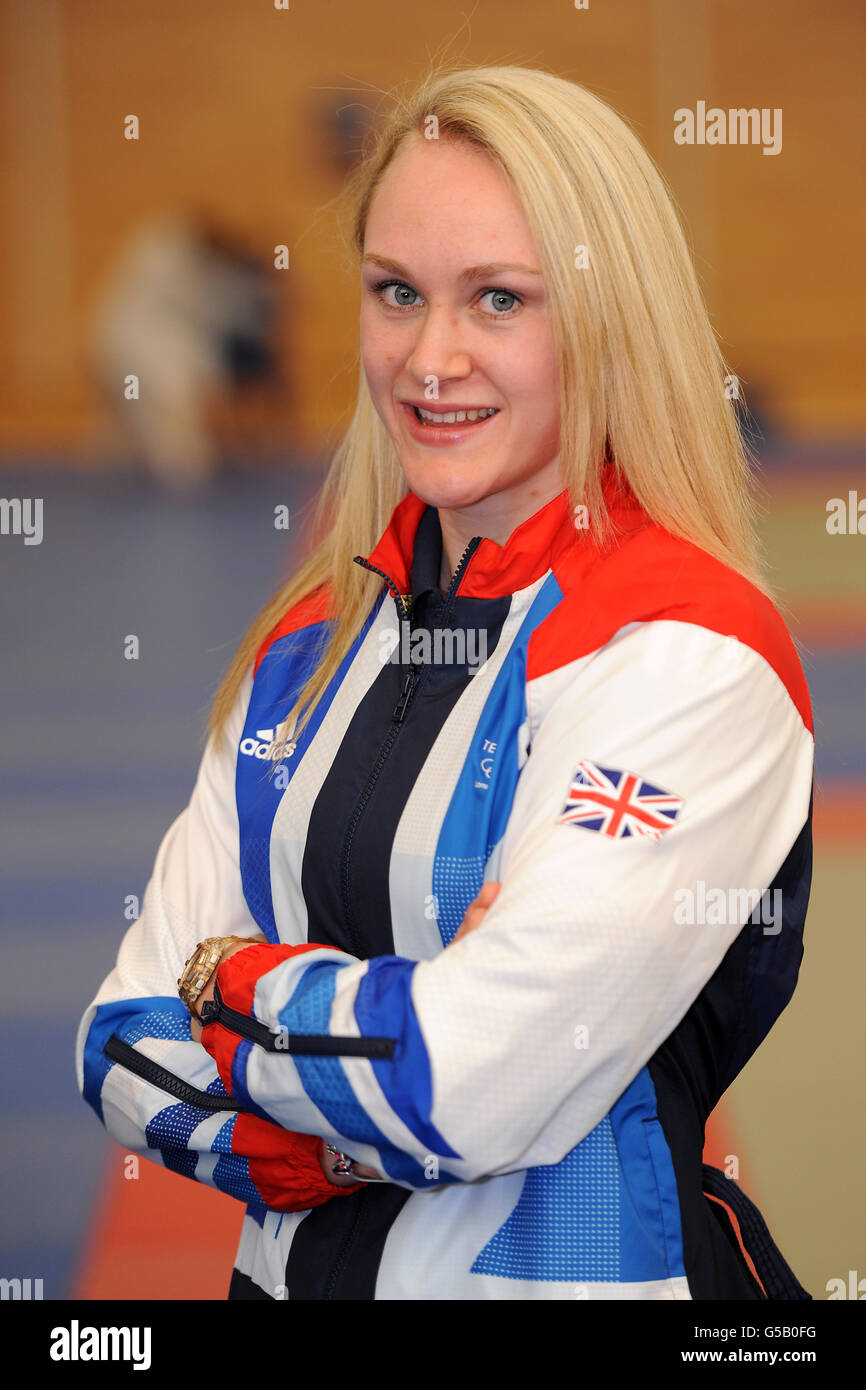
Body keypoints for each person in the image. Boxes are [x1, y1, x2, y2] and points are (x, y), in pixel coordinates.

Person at [76, 64, 814, 1301]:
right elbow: (117, 1049)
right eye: (396, 293)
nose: (429, 357)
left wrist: (222, 977)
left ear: (603, 316)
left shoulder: (689, 649)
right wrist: (390, 1034)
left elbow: (466, 1085)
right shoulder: (305, 642)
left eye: (498, 301)